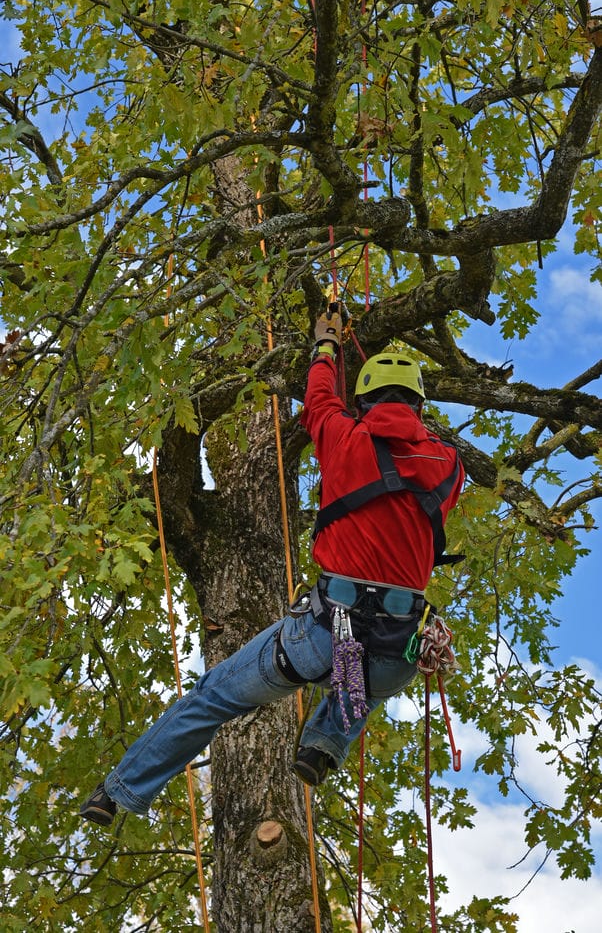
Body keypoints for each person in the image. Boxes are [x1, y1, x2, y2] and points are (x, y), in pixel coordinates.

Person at [79, 307, 464, 826]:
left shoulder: (343, 436)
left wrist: (325, 345)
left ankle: (119, 790)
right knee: (362, 674)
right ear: (419, 403)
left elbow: (320, 397)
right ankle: (323, 745)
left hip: (328, 631)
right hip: (396, 650)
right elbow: (417, 453)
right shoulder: (451, 464)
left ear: (364, 400)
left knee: (213, 696)